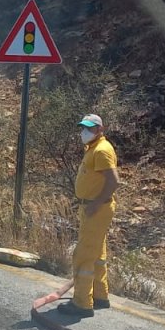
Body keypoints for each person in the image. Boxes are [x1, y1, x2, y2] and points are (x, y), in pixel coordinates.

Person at [58, 114, 121, 318]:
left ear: (100, 130)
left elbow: (113, 181)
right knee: (97, 255)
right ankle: (100, 296)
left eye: (90, 128)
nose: (84, 132)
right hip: (94, 208)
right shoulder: (94, 149)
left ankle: (82, 303)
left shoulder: (102, 150)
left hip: (97, 209)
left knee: (83, 255)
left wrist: (95, 204)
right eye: (83, 127)